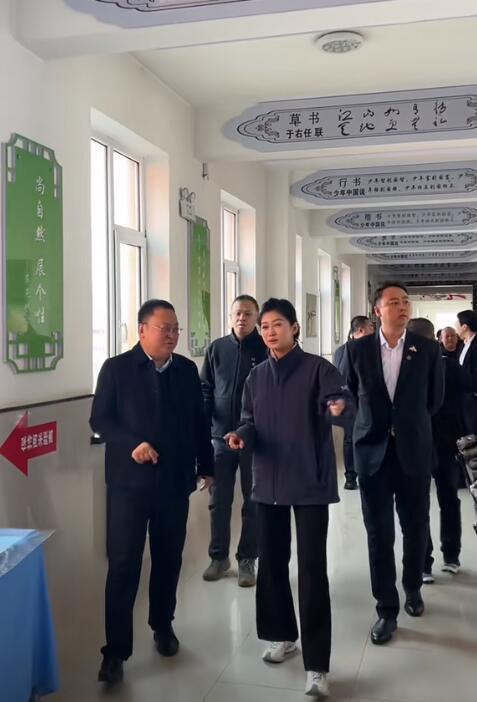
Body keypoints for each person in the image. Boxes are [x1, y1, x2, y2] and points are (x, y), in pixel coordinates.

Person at [226, 298, 346, 698]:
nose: (269, 332)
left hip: (309, 482)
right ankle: (282, 636)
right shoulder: (256, 376)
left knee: (312, 571)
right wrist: (241, 435)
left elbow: (341, 402)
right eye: (264, 326)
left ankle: (317, 665)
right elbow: (249, 420)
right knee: (272, 565)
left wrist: (339, 407)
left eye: (277, 324)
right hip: (268, 482)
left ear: (294, 328)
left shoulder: (317, 369)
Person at [90, 299, 214, 685]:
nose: (172, 335)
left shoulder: (186, 371)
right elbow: (100, 419)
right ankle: (115, 651)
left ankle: (163, 624)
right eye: (165, 328)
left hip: (174, 484)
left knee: (168, 559)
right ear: (142, 330)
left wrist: (207, 466)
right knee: (123, 565)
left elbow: (199, 422)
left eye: (176, 329)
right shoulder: (117, 369)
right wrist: (132, 443)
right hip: (128, 486)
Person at [345, 283, 444, 646]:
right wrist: (371, 426)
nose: (402, 307)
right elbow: (348, 394)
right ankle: (386, 608)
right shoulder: (357, 350)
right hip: (372, 454)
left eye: (405, 302)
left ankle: (413, 587)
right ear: (377, 310)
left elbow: (434, 399)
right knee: (379, 533)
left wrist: (407, 425)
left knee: (415, 526)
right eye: (393, 302)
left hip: (413, 452)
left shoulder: (427, 349)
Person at [201, 294, 267, 586]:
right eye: (237, 313)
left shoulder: (265, 348)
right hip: (220, 438)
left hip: (255, 438)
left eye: (248, 313)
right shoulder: (217, 348)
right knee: (219, 501)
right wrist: (204, 427)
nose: (242, 318)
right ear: (230, 317)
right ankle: (218, 557)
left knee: (253, 501)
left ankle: (247, 558)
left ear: (256, 318)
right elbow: (206, 388)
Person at [407, 318, 464, 580]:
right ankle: (445, 556)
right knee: (443, 498)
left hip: (435, 441)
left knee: (428, 500)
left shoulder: (448, 367)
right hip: (434, 442)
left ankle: (428, 562)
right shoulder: (406, 368)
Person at [333, 315, 374, 490]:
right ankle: (352, 475)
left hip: (358, 402)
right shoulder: (351, 350)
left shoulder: (341, 349)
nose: (373, 331)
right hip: (355, 402)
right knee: (352, 440)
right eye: (371, 327)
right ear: (361, 330)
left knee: (353, 439)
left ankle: (356, 475)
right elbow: (344, 378)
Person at [455, 310, 477, 434]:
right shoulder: (463, 344)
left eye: (457, 324)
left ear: (464, 326)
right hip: (464, 395)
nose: (456, 328)